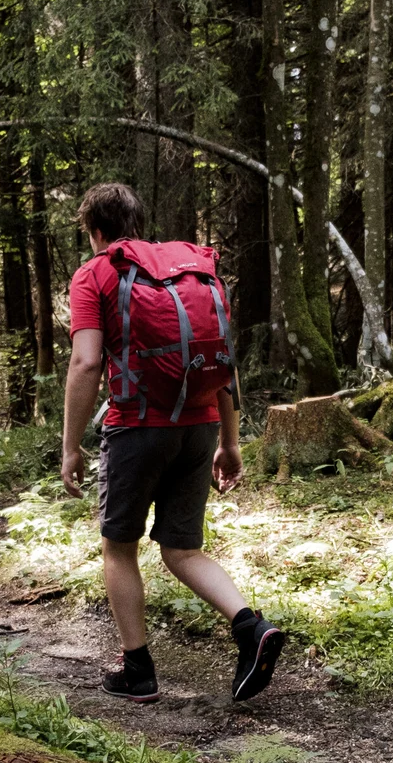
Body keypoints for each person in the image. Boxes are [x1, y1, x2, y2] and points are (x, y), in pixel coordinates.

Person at [58, 182, 286, 704]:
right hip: (200, 425)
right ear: (137, 223)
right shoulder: (192, 269)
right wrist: (230, 441)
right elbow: (221, 360)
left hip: (137, 427)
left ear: (94, 230)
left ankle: (136, 669)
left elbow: (87, 361)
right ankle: (251, 627)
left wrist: (70, 446)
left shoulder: (95, 273)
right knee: (183, 549)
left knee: (119, 547)